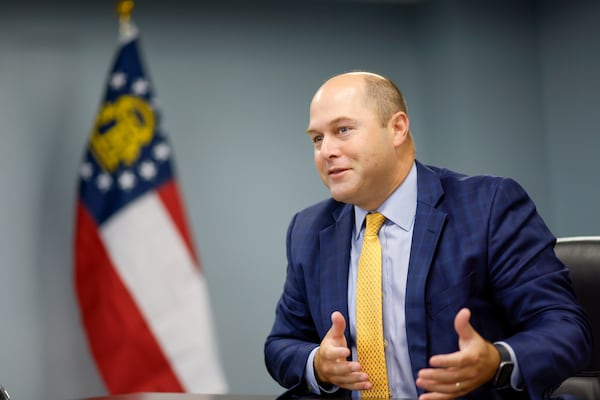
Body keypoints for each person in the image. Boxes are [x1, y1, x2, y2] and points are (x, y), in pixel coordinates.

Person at [264, 71, 592, 400]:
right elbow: (281, 344)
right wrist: (317, 364)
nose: (326, 151)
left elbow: (564, 328)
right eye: (317, 139)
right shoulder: (308, 230)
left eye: (343, 130)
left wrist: (497, 361)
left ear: (397, 128)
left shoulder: (488, 206)